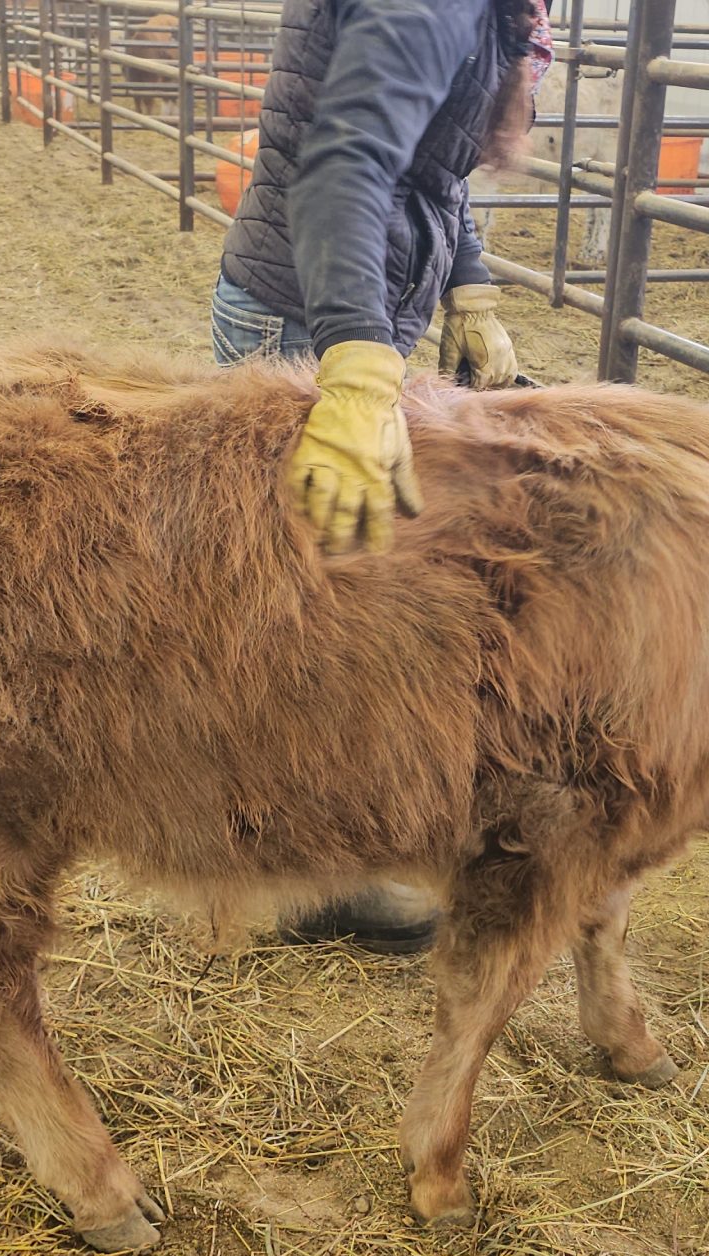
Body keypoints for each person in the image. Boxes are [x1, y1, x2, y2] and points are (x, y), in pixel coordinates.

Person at [210, 0, 548, 952]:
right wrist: (358, 366)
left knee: (339, 581)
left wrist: (467, 284)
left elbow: (426, 159)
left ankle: (313, 840)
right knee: (315, 601)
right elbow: (349, 158)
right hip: (315, 315)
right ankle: (306, 869)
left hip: (347, 297)